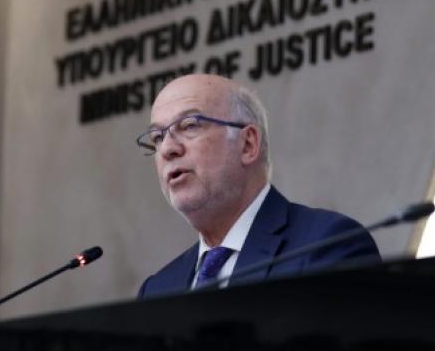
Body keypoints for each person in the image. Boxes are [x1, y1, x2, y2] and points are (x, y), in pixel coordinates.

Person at [136, 73, 379, 298]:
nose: (167, 149)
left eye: (190, 125)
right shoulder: (157, 289)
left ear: (248, 144)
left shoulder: (328, 246)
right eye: (158, 137)